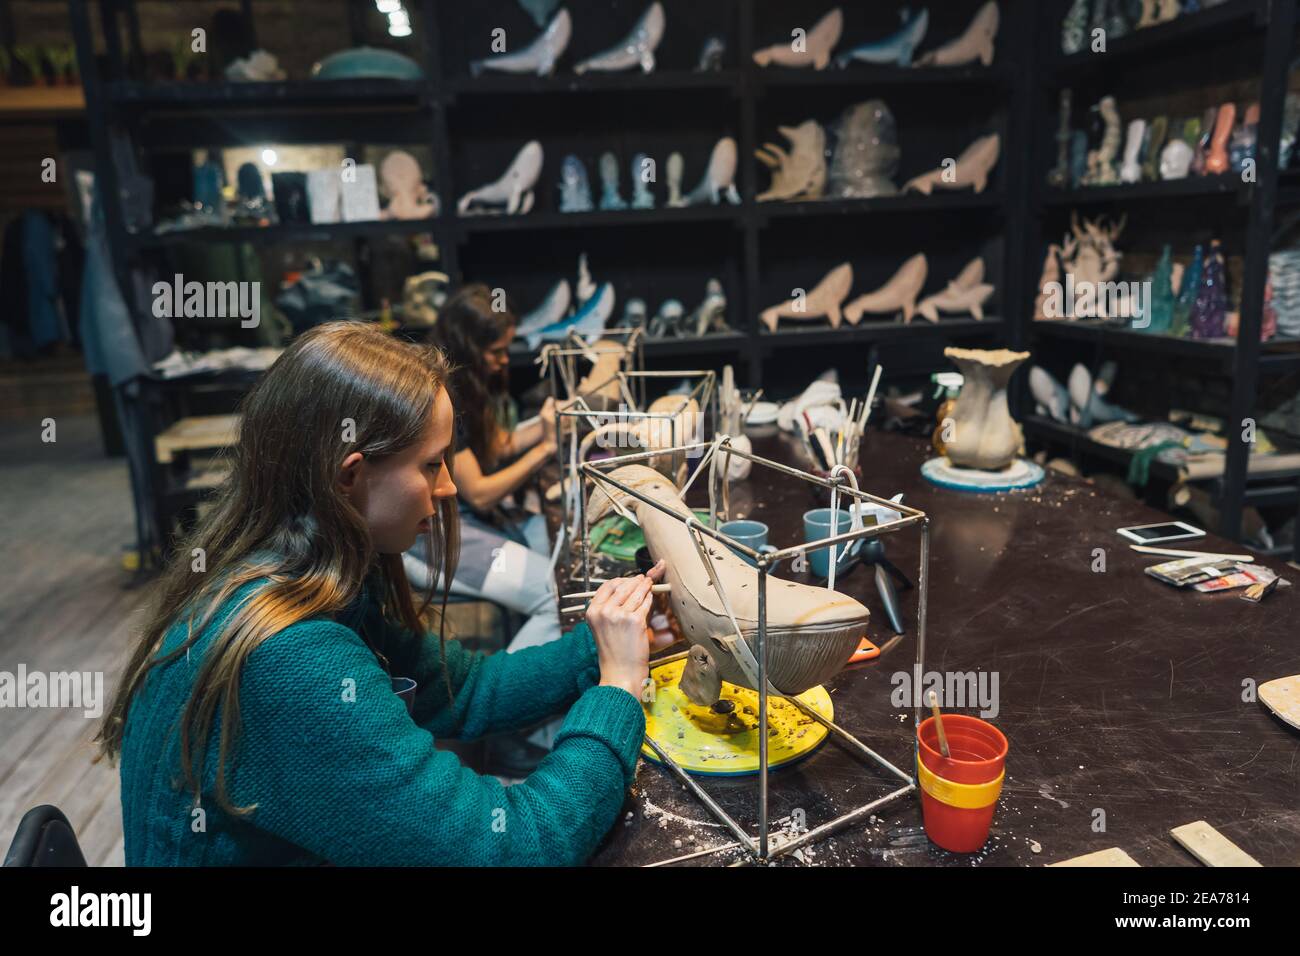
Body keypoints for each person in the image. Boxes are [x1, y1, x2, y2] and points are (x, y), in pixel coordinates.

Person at [96, 321, 670, 865]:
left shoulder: (297, 575)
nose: (448, 488)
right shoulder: (290, 662)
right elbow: (512, 849)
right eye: (431, 464)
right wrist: (618, 689)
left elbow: (465, 689)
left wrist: (600, 646)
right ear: (349, 477)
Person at [404, 283, 563, 654]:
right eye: (497, 351)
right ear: (470, 346)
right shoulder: (442, 397)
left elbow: (496, 446)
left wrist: (547, 422)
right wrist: (547, 448)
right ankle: (502, 696)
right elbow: (482, 493)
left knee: (555, 558)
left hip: (460, 521)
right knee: (555, 595)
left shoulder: (461, 385)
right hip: (430, 535)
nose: (505, 360)